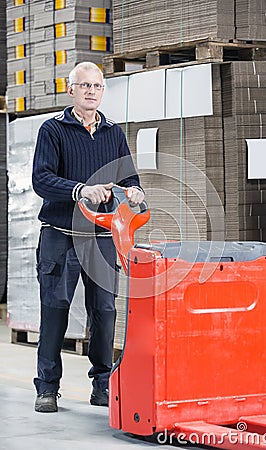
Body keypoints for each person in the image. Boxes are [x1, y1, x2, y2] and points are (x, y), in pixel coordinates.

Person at [32, 61, 145, 413]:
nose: (91, 91)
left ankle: (102, 385)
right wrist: (81, 189)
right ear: (71, 90)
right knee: (55, 311)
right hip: (60, 235)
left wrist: (136, 190)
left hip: (101, 237)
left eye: (96, 86)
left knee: (105, 310)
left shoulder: (113, 133)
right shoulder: (53, 130)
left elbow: (128, 176)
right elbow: (41, 180)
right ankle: (47, 388)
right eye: (84, 86)